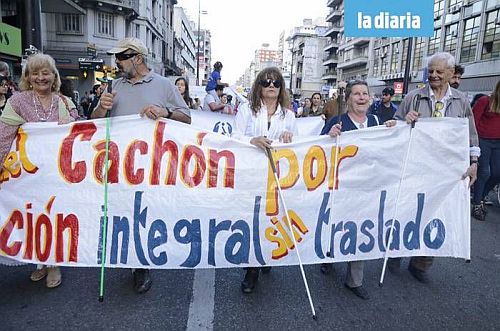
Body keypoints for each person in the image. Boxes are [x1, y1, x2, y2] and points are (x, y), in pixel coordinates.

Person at [92, 37, 191, 294]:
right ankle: (130, 259)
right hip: (119, 165)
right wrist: (101, 110)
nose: (117, 62)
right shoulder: (113, 85)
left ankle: (141, 265)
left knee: (144, 215)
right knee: (123, 213)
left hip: (151, 166)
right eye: (116, 57)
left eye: (122, 57)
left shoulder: (164, 84)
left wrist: (165, 113)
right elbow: (94, 122)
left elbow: (187, 118)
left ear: (137, 58)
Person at [393, 52, 480, 283]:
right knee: (408, 210)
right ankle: (396, 249)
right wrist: (404, 122)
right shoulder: (413, 97)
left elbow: (470, 136)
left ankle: (421, 262)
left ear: (451, 74)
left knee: (435, 213)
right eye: (431, 71)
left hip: (446, 172)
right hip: (415, 167)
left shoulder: (462, 101)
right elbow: (392, 129)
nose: (433, 75)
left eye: (439, 72)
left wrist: (474, 164)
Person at [0, 53, 78, 288]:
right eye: (35, 73)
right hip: (27, 175)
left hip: (57, 174)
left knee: (54, 217)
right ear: (27, 77)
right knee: (33, 217)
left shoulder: (65, 102)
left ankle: (54, 263)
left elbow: (80, 134)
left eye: (46, 72)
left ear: (54, 76)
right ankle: (40, 262)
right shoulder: (17, 102)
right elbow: (4, 138)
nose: (41, 77)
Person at [320, 80, 396, 300]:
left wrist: (393, 131)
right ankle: (328, 256)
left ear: (370, 98)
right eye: (356, 94)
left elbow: (387, 148)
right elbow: (318, 149)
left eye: (365, 93)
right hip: (342, 188)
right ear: (349, 99)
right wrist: (329, 135)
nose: (361, 97)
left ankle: (355, 280)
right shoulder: (338, 121)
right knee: (337, 226)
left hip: (369, 189)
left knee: (360, 230)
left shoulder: (376, 121)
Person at [232, 67, 297, 294]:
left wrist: (290, 137)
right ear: (259, 85)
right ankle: (252, 270)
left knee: (271, 221)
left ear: (281, 88)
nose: (271, 85)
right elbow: (234, 137)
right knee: (253, 222)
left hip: (276, 177)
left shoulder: (289, 116)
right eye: (267, 81)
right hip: (250, 176)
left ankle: (266, 256)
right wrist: (253, 140)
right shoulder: (246, 110)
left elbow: (297, 147)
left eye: (276, 82)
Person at [471, 80, 500, 221]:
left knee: (497, 173)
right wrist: (473, 142)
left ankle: (480, 196)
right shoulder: (485, 100)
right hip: (483, 139)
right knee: (484, 172)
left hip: (498, 142)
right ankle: (477, 204)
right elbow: (473, 121)